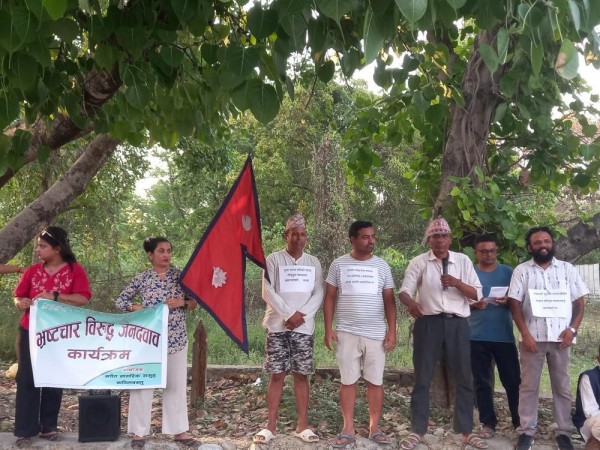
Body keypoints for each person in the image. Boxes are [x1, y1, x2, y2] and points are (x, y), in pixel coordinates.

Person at [398, 216, 487, 450]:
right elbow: (404, 291)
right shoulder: (419, 262)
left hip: (457, 324)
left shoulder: (463, 261)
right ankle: (418, 430)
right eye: (435, 236)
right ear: (429, 240)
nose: (440, 240)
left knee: (464, 378)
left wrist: (457, 282)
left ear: (450, 239)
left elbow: (477, 294)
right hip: (428, 323)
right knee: (422, 377)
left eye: (444, 236)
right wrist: (411, 304)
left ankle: (466, 431)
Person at [508, 226, 587, 450]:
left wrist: (572, 330)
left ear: (552, 243)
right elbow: (514, 304)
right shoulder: (522, 271)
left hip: (562, 339)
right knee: (529, 386)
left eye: (546, 241)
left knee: (562, 386)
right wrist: (525, 334)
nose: (543, 245)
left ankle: (563, 431)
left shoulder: (567, 269)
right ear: (530, 247)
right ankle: (526, 431)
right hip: (532, 339)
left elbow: (579, 303)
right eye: (537, 243)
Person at [13, 226, 92, 448]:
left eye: (42, 246)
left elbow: (83, 298)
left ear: (57, 248)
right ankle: (24, 430)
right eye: (38, 245)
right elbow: (18, 297)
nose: (38, 249)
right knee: (26, 378)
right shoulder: (31, 271)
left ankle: (49, 427)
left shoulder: (75, 270)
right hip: (30, 330)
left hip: (60, 334)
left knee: (52, 378)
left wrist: (55, 295)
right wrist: (21, 303)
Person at [116, 237, 198, 448]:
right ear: (151, 255)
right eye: (161, 251)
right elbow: (121, 301)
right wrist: (138, 309)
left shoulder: (181, 276)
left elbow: (194, 303)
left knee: (175, 385)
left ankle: (179, 430)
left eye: (169, 250)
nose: (166, 255)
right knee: (143, 383)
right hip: (148, 340)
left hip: (176, 338)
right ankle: (139, 432)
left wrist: (182, 303)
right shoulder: (142, 278)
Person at [323, 220, 397, 448]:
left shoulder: (382, 266)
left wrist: (392, 331)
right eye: (365, 237)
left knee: (375, 381)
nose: (371, 241)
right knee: (348, 381)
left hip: (376, 334)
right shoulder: (338, 265)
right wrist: (328, 329)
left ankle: (375, 427)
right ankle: (348, 428)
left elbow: (389, 301)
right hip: (347, 333)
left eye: (373, 236)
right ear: (352, 239)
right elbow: (330, 298)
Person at [254, 214, 324, 444]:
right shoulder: (273, 260)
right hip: (277, 326)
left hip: (303, 327)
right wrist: (288, 315)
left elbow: (319, 293)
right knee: (277, 374)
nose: (299, 238)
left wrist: (300, 316)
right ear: (286, 235)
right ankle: (270, 426)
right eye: (295, 234)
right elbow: (268, 291)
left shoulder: (313, 262)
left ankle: (302, 425)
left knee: (301, 375)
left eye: (303, 234)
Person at [469, 234, 520, 436]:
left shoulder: (508, 272)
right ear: (476, 253)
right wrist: (473, 305)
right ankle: (488, 423)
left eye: (492, 251)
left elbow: (519, 300)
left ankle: (519, 423)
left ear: (496, 251)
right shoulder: (469, 273)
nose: (488, 254)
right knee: (481, 382)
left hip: (504, 337)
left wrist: (508, 301)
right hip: (476, 336)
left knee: (513, 381)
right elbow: (457, 302)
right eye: (484, 251)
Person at [573, 344, 600, 450]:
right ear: (598, 359)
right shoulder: (589, 378)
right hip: (591, 422)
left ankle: (595, 442)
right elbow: (591, 412)